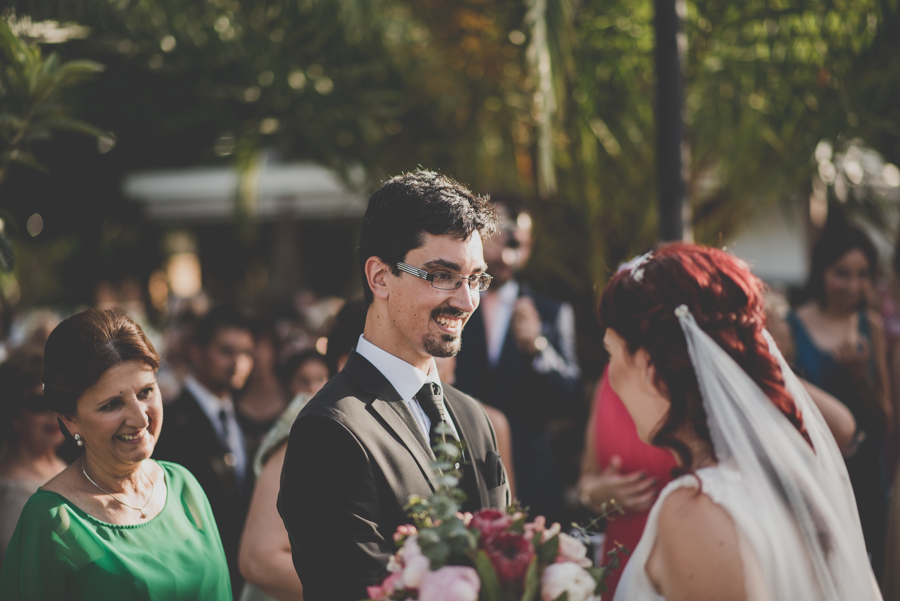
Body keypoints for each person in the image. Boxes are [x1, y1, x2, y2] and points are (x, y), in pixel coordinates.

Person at [600, 244, 880, 600]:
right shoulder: (789, 486)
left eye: (611, 354)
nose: (609, 377)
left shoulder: (695, 514)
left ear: (651, 369)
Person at [279, 170, 510, 601]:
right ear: (380, 277)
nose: (465, 300)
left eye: (475, 278)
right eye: (443, 275)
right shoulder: (329, 429)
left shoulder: (473, 417)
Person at [0, 309, 231, 599]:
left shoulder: (184, 486)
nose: (140, 418)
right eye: (111, 404)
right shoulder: (51, 521)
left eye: (146, 392)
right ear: (69, 419)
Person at [768, 221, 890, 575]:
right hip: (813, 475)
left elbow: (885, 423)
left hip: (864, 476)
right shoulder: (788, 327)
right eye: (842, 273)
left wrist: (860, 377)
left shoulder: (872, 328)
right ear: (821, 271)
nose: (853, 286)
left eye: (862, 274)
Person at [454, 196, 581, 522]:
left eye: (517, 243)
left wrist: (537, 347)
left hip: (532, 477)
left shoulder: (552, 312)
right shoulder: (454, 304)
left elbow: (569, 398)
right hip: (461, 471)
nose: (506, 253)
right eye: (497, 237)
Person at [153, 305, 256, 597]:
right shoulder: (169, 424)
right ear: (197, 352)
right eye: (227, 351)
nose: (239, 362)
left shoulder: (249, 425)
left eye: (247, 353)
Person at [238, 348, 330, 601]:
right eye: (304, 380)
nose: (314, 387)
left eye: (322, 378)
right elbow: (258, 560)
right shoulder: (301, 425)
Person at [0, 346, 67, 569]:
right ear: (13, 414)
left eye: (58, 399)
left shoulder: (59, 463)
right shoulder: (13, 496)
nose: (53, 413)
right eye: (39, 404)